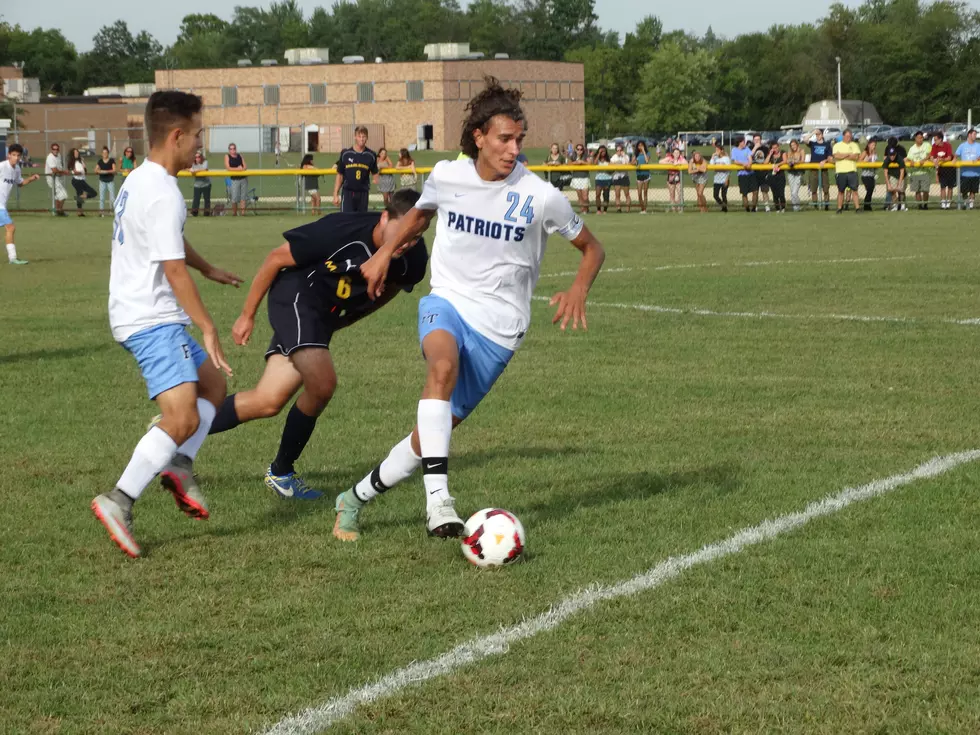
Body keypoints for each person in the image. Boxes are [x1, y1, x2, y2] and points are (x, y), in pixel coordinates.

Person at [332, 76, 605, 542]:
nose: (513, 149)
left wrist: (579, 287)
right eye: (504, 139)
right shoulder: (447, 175)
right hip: (448, 301)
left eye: (519, 139)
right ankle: (439, 501)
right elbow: (419, 214)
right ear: (478, 137)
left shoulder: (541, 197)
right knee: (441, 364)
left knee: (428, 438)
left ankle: (354, 497)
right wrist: (383, 253)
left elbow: (592, 247)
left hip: (500, 330)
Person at [92, 91, 243, 558]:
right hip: (150, 319)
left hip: (147, 313)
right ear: (176, 135)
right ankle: (119, 500)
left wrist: (208, 268)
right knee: (182, 416)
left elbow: (171, 244)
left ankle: (179, 464)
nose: (201, 144)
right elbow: (171, 270)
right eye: (198, 134)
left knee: (213, 388)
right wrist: (209, 326)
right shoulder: (162, 192)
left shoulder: (140, 179)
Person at [205, 190, 430, 500]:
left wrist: (349, 318)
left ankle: (180, 424)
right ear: (384, 218)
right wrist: (246, 315)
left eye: (416, 236)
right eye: (403, 232)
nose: (407, 243)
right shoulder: (341, 230)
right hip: (297, 295)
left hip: (321, 317)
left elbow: (389, 288)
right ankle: (281, 471)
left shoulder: (413, 257)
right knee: (323, 384)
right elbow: (276, 259)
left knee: (267, 400)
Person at [0, 143, 41, 265]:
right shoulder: (2, 166)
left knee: (10, 228)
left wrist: (32, 179)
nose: (16, 158)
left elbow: (20, 183)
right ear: (8, 155)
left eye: (18, 155)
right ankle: (13, 258)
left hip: (2, 204)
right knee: (10, 227)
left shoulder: (17, 169)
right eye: (14, 155)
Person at [333, 125, 379, 213]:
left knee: (361, 220)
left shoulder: (371, 155)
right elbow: (340, 175)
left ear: (367, 138)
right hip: (348, 192)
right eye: (359, 136)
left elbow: (375, 173)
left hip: (363, 193)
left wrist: (376, 181)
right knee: (346, 219)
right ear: (355, 137)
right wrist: (335, 194)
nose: (361, 139)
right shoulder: (346, 154)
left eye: (364, 136)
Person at [832, 128, 861, 214]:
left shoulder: (854, 145)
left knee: (854, 191)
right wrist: (848, 154)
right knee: (841, 191)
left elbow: (856, 157)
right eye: (847, 136)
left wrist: (843, 155)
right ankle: (839, 208)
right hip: (841, 171)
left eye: (850, 136)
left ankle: (857, 208)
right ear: (843, 136)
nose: (849, 138)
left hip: (852, 171)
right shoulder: (837, 145)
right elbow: (836, 156)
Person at [806, 129, 833, 210]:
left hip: (823, 169)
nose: (818, 136)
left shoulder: (827, 144)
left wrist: (824, 161)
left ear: (822, 135)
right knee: (813, 189)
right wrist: (813, 132)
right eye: (816, 135)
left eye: (819, 134)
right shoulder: (813, 144)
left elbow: (830, 157)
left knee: (825, 188)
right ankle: (815, 205)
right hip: (814, 169)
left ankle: (826, 204)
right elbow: (805, 140)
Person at [954, 128, 980, 210]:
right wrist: (954, 158)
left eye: (976, 134)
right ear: (969, 135)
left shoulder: (978, 145)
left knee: (973, 190)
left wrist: (977, 159)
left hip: (975, 172)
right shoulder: (962, 145)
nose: (975, 136)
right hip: (964, 173)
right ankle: (965, 202)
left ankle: (971, 204)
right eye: (974, 134)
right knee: (964, 190)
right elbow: (956, 154)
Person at [906, 130, 932, 210]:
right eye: (918, 138)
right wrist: (911, 162)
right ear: (915, 138)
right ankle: (920, 205)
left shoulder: (927, 145)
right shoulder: (912, 149)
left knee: (925, 190)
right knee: (917, 191)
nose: (920, 139)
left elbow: (930, 154)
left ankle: (925, 205)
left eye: (921, 138)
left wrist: (923, 160)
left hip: (925, 171)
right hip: (915, 172)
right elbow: (908, 158)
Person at [69, 148, 98, 217]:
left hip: (82, 180)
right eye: (75, 153)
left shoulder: (81, 160)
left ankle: (80, 200)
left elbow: (84, 170)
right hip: (76, 181)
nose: (76, 154)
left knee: (93, 193)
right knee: (80, 193)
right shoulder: (71, 162)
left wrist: (84, 168)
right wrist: (79, 172)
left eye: (77, 152)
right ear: (72, 154)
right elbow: (75, 172)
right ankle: (80, 212)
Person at [930, 130, 955, 210]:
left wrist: (941, 160)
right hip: (941, 169)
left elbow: (949, 157)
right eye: (934, 139)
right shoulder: (934, 146)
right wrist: (934, 160)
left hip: (950, 169)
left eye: (936, 139)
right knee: (942, 187)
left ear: (940, 139)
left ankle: (948, 203)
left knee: (950, 187)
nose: (935, 141)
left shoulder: (947, 145)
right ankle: (943, 203)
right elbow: (931, 156)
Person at [731, 137, 757, 211]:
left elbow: (750, 158)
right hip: (742, 175)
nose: (744, 143)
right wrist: (744, 164)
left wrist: (749, 163)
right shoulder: (734, 150)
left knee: (755, 191)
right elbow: (735, 161)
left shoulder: (747, 149)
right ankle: (747, 209)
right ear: (739, 142)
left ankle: (753, 208)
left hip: (751, 173)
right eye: (743, 142)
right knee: (744, 193)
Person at [44, 143, 69, 216]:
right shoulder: (50, 157)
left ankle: (57, 211)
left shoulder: (59, 155)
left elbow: (59, 167)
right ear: (51, 150)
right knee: (64, 195)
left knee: (58, 196)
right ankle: (59, 211)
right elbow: (54, 170)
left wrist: (62, 172)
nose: (55, 150)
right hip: (51, 178)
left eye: (57, 149)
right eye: (54, 149)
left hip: (57, 177)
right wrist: (64, 172)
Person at [883, 136, 907, 211]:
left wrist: (899, 183)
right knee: (892, 190)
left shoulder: (901, 150)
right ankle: (895, 205)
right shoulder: (887, 149)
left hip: (901, 173)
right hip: (892, 173)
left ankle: (902, 204)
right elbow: (885, 172)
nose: (892, 156)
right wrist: (888, 184)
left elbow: (903, 169)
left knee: (901, 190)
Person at [225, 143, 248, 216]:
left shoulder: (240, 156)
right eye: (231, 149)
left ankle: (243, 213)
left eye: (234, 148)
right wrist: (238, 169)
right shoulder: (227, 156)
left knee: (243, 197)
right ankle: (234, 213)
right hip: (234, 179)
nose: (233, 150)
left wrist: (241, 169)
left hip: (243, 179)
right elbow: (228, 168)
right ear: (229, 150)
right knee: (234, 198)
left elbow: (245, 167)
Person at [662, 147, 686, 212]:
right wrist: (670, 163)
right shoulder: (669, 158)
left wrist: (679, 163)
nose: (676, 154)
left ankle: (679, 207)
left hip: (678, 177)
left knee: (680, 193)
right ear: (672, 153)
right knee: (672, 194)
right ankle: (673, 208)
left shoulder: (681, 158)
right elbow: (661, 161)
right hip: (670, 177)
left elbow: (686, 163)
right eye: (675, 152)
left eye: (678, 152)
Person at [766, 141, 788, 212]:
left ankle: (783, 207)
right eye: (773, 148)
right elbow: (765, 163)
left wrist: (778, 164)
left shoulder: (782, 152)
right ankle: (777, 208)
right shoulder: (771, 155)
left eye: (776, 147)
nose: (775, 149)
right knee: (775, 193)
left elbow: (785, 161)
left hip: (780, 175)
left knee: (781, 193)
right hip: (772, 176)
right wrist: (770, 154)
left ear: (778, 147)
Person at [610, 142, 632, 213]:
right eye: (617, 150)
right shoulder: (614, 157)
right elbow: (610, 164)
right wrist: (616, 163)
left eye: (620, 150)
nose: (619, 152)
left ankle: (628, 209)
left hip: (624, 176)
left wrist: (624, 156)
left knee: (627, 194)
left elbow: (628, 163)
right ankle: (618, 209)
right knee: (617, 194)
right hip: (617, 177)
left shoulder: (626, 156)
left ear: (623, 150)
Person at [569, 143, 591, 214]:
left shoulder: (586, 156)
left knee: (585, 197)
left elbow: (590, 163)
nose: (579, 151)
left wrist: (582, 162)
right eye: (578, 149)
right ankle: (583, 210)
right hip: (576, 178)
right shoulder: (573, 156)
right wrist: (576, 162)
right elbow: (568, 163)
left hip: (584, 177)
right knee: (580, 196)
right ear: (575, 150)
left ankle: (586, 209)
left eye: (581, 149)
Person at [751, 134, 771, 212]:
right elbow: (748, 156)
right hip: (754, 173)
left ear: (761, 140)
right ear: (753, 141)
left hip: (763, 172)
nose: (757, 141)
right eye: (755, 140)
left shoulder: (765, 148)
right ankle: (754, 206)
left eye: (758, 140)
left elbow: (767, 159)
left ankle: (767, 206)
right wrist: (755, 147)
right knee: (754, 191)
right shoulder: (750, 148)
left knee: (764, 190)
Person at [785, 139, 806, 211]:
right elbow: (788, 160)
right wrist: (790, 161)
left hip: (799, 173)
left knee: (794, 192)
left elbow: (803, 160)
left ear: (797, 144)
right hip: (791, 172)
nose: (793, 146)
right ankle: (795, 207)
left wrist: (796, 161)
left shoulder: (801, 150)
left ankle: (797, 206)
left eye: (794, 145)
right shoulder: (789, 151)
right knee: (792, 192)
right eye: (791, 145)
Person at [95, 146, 117, 216]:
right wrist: (100, 171)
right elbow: (96, 170)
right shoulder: (100, 161)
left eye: (106, 153)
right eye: (103, 153)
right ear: (102, 154)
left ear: (108, 153)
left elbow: (114, 170)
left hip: (110, 181)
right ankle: (101, 212)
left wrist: (106, 171)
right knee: (102, 197)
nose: (105, 154)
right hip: (102, 181)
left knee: (112, 197)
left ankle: (112, 211)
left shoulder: (111, 161)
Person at [189, 151, 212, 217]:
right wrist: (190, 170)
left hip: (206, 184)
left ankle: (207, 212)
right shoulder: (193, 163)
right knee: (196, 199)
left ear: (201, 157)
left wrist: (195, 170)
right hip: (197, 184)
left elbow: (204, 169)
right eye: (196, 157)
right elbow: (187, 168)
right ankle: (194, 212)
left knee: (207, 199)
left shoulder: (205, 162)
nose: (197, 158)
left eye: (198, 157)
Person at [709, 141, 730, 212]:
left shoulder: (726, 158)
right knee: (715, 195)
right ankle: (722, 205)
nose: (716, 151)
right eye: (716, 150)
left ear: (722, 150)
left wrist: (727, 180)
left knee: (724, 195)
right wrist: (712, 156)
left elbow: (729, 170)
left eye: (718, 150)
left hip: (724, 179)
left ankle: (725, 209)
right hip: (717, 179)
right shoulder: (715, 158)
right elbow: (711, 165)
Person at [859, 140, 878, 212]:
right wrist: (866, 160)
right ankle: (866, 205)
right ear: (869, 145)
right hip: (865, 175)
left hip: (872, 174)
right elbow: (859, 162)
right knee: (869, 189)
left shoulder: (875, 153)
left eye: (875, 145)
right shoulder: (865, 152)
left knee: (871, 190)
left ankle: (868, 205)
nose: (874, 146)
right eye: (872, 144)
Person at [593, 145, 612, 214]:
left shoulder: (609, 159)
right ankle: (598, 209)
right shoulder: (597, 158)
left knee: (606, 195)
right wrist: (598, 154)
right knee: (597, 194)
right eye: (601, 151)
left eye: (604, 151)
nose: (602, 152)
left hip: (607, 178)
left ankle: (605, 210)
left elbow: (612, 168)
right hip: (599, 179)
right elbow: (594, 164)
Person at [634, 141, 651, 214]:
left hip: (646, 174)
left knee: (645, 192)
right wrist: (634, 162)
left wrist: (644, 151)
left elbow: (647, 161)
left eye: (642, 145)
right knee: (639, 193)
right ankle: (642, 208)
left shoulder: (647, 153)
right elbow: (632, 162)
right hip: (639, 175)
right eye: (639, 145)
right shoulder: (636, 154)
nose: (640, 147)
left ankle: (645, 209)